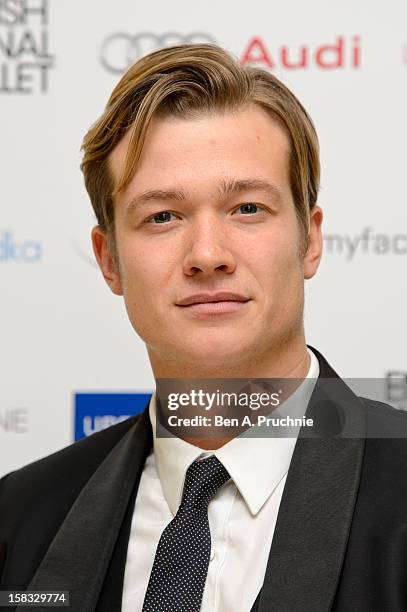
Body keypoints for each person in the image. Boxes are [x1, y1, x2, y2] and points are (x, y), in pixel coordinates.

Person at [1, 44, 407, 612]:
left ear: (309, 240)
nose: (208, 255)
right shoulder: (20, 519)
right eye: (163, 216)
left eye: (247, 209)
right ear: (109, 259)